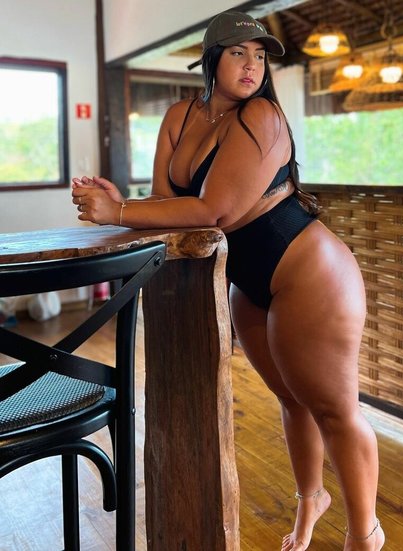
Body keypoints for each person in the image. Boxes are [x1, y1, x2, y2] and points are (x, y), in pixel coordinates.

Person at [72, 10, 385, 550]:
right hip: (247, 281)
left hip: (309, 271)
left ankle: (365, 535)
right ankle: (311, 501)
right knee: (291, 400)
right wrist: (122, 200)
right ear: (212, 59)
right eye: (239, 53)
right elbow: (169, 204)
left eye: (260, 56)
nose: (251, 65)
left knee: (335, 410)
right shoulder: (179, 116)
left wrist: (118, 212)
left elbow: (214, 210)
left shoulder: (261, 115)